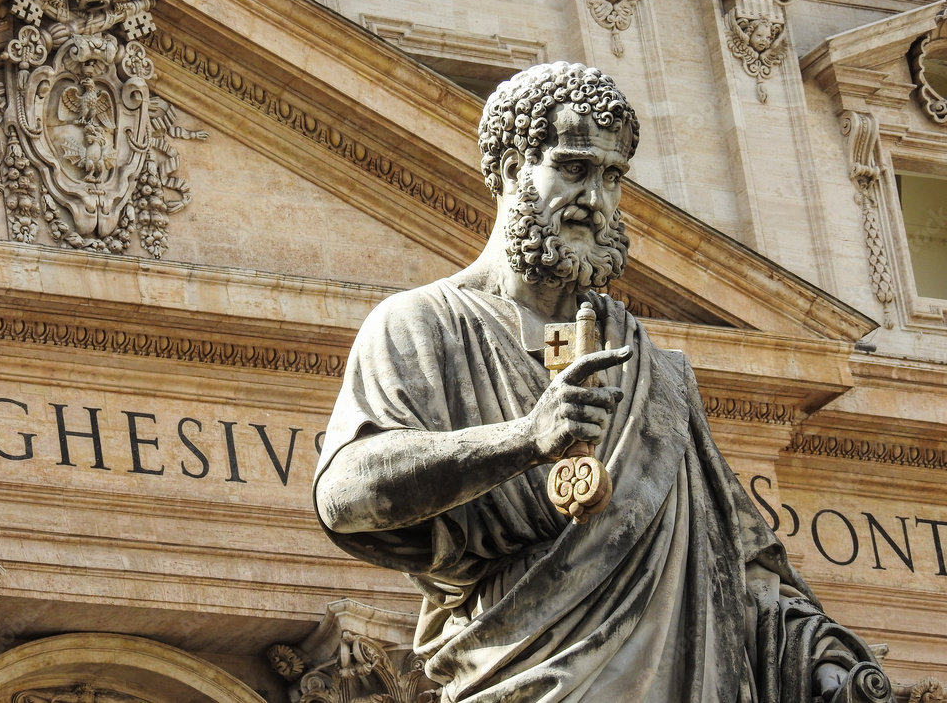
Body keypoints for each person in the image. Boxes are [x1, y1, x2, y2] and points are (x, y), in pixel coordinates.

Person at [314, 62, 887, 703]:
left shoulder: (656, 371)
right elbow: (346, 494)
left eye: (613, 177)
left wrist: (818, 658)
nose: (596, 199)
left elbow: (736, 556)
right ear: (509, 170)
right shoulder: (421, 324)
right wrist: (526, 438)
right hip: (525, 671)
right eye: (575, 168)